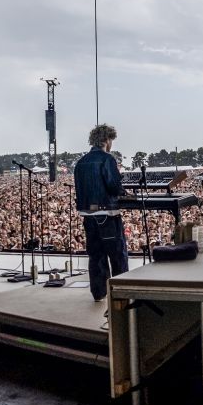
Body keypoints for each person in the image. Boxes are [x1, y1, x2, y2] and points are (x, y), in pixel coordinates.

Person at [75, 124, 127, 301]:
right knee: (117, 254)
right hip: (107, 214)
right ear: (106, 139)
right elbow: (113, 186)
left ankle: (98, 293)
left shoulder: (81, 162)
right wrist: (123, 191)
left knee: (96, 255)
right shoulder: (107, 159)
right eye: (111, 140)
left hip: (88, 215)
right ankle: (120, 292)